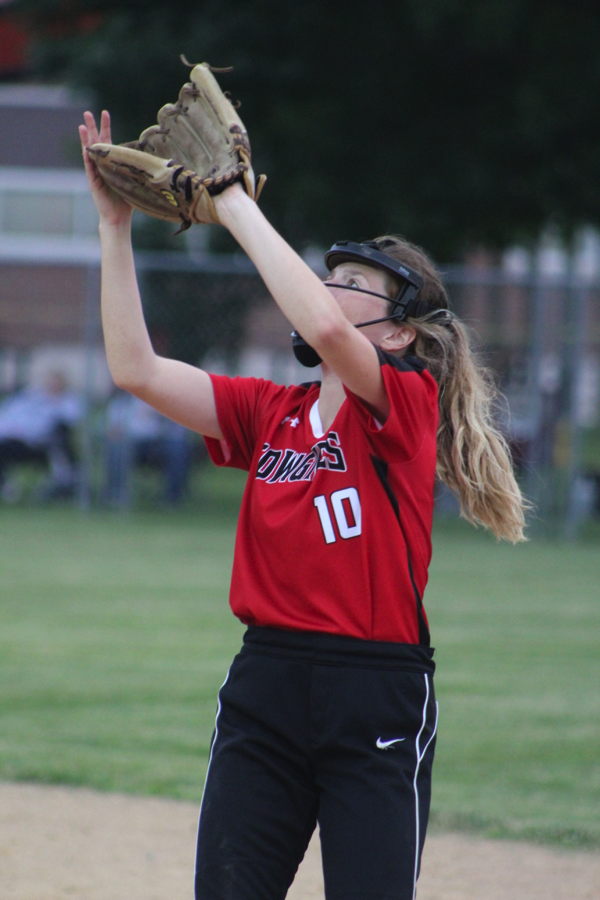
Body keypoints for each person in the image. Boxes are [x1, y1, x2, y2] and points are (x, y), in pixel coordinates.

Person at [80, 110, 527, 900]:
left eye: (358, 285)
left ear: (397, 335)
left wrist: (231, 201)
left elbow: (319, 323)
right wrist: (115, 230)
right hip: (267, 685)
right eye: (333, 275)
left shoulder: (404, 406)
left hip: (374, 694)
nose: (331, 290)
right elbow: (136, 369)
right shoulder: (269, 412)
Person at [0, 370, 82, 501]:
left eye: (56, 382)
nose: (52, 386)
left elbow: (67, 422)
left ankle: (63, 486)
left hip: (40, 445)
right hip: (14, 439)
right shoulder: (31, 398)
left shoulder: (68, 403)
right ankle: (6, 487)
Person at [104, 389, 193, 507]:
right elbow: (112, 431)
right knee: (116, 449)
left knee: (178, 447)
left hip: (158, 443)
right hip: (131, 444)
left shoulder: (163, 401)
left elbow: (178, 429)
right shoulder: (121, 402)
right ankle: (116, 493)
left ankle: (172, 497)